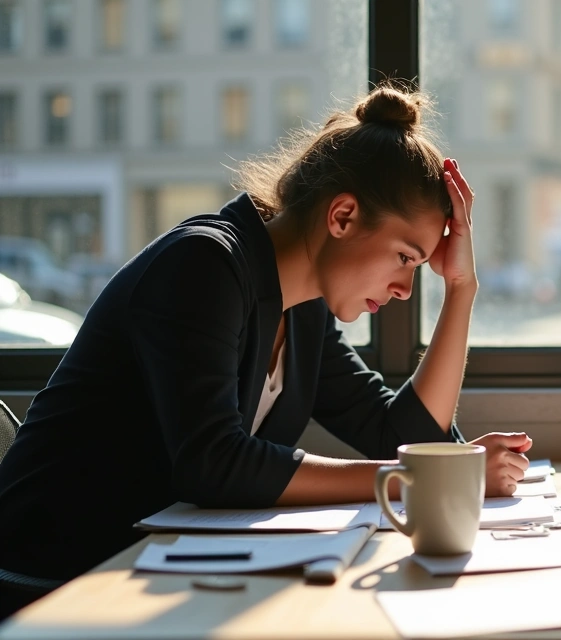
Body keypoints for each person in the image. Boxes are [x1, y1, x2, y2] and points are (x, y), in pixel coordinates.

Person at [0, 85, 531, 618]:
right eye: (404, 258)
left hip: (145, 574)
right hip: (50, 579)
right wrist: (415, 481)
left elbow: (402, 438)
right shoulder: (203, 265)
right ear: (342, 216)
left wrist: (462, 289)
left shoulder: (303, 309)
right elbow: (213, 462)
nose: (404, 289)